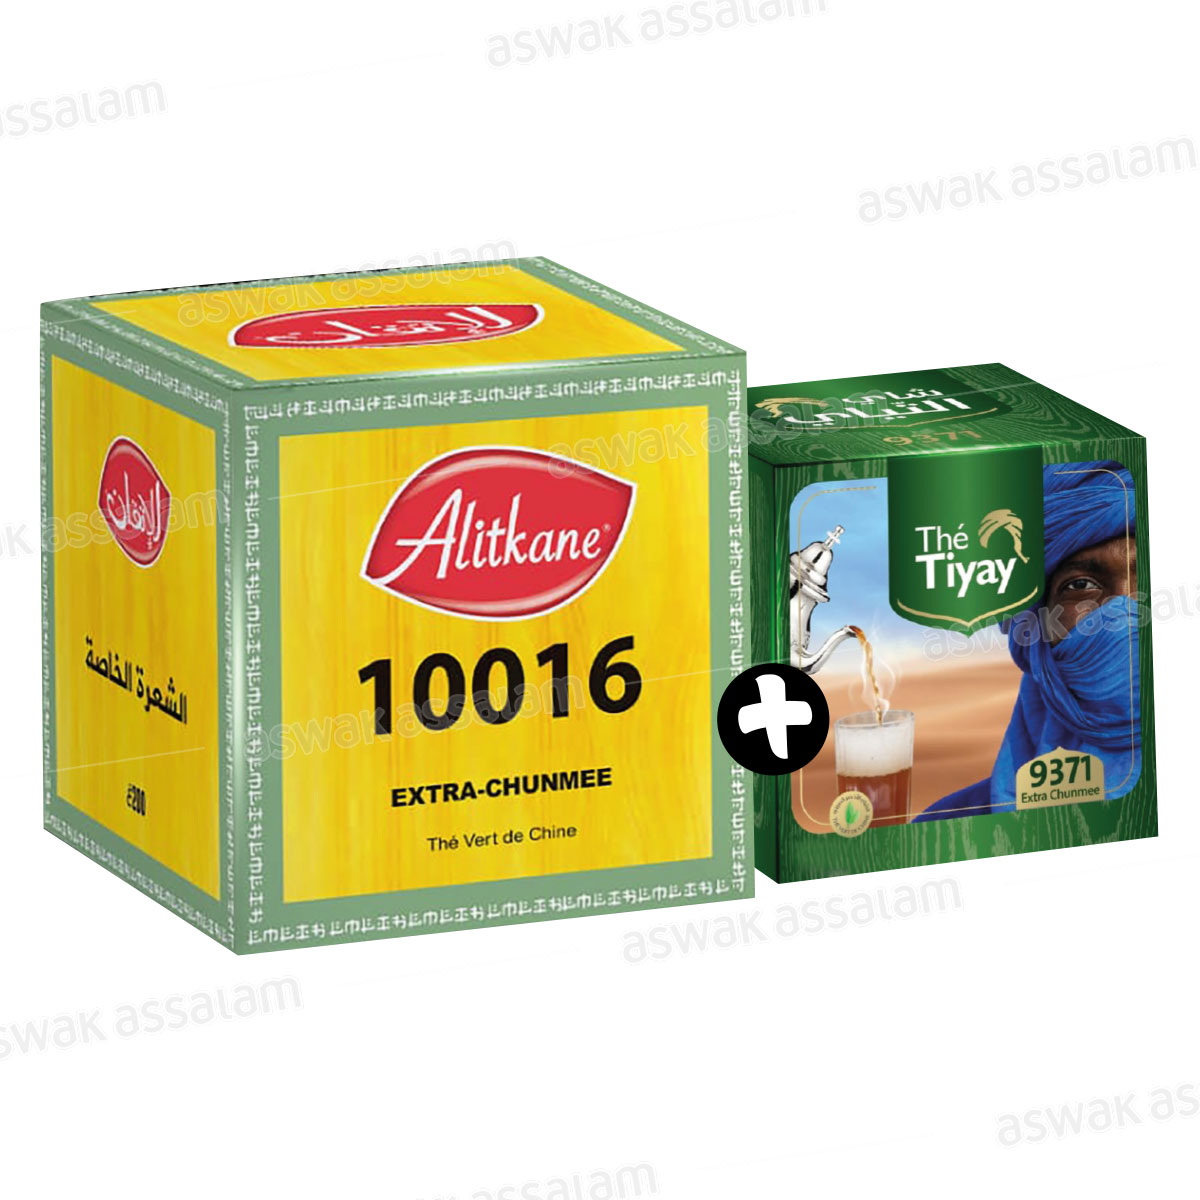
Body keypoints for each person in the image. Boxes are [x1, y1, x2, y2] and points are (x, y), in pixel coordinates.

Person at [916, 461, 1140, 821]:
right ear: (1034, 633)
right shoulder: (947, 826)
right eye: (1080, 585)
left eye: (1151, 577)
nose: (1126, 612)